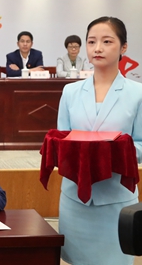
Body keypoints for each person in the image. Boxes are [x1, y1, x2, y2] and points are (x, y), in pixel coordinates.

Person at [56, 17, 142, 265]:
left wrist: (109, 152)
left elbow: (140, 144)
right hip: (75, 198)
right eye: (92, 42)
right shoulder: (70, 92)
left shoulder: (137, 93)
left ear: (123, 47)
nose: (98, 48)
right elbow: (63, 140)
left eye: (107, 41)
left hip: (116, 200)